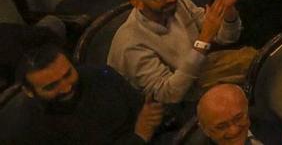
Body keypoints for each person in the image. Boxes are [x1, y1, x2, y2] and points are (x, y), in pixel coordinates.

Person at [107, 0, 248, 110]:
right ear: (137, 3)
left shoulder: (178, 3)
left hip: (197, 75)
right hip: (171, 108)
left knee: (257, 63)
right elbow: (169, 95)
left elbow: (227, 38)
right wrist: (203, 40)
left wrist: (228, 10)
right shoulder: (130, 44)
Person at [1, 40, 163, 143]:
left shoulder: (100, 75)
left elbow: (144, 111)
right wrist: (140, 136)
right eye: (51, 86)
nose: (66, 87)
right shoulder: (28, 130)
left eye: (68, 74)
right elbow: (143, 128)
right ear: (29, 91)